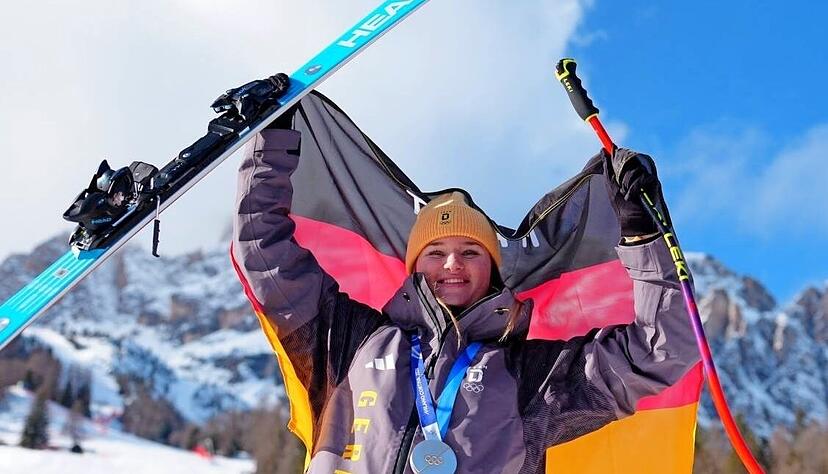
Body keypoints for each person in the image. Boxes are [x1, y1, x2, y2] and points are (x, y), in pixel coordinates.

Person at [232, 127, 699, 473]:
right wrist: (270, 136)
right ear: (415, 266)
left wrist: (641, 234)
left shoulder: (530, 377)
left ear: (491, 269)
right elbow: (265, 255)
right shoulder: (350, 340)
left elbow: (663, 350)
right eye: (435, 252)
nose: (452, 263)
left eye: (471, 252)